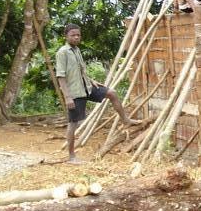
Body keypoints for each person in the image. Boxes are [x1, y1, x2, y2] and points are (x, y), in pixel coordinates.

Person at [56, 23, 139, 164]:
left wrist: (91, 80)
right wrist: (67, 97)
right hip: (75, 93)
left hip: (86, 87)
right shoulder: (62, 52)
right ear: (66, 36)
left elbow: (80, 71)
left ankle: (125, 119)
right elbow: (61, 76)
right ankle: (71, 156)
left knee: (111, 93)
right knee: (73, 123)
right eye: (73, 35)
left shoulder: (76, 50)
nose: (76, 37)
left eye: (78, 35)